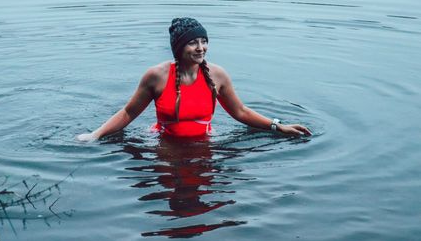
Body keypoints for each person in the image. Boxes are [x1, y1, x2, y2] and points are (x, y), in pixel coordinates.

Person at [77, 17, 311, 142]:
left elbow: (240, 111)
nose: (201, 48)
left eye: (204, 41)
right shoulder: (156, 76)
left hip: (205, 143)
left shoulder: (217, 75)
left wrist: (277, 127)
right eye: (193, 42)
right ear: (178, 47)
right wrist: (95, 135)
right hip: (163, 145)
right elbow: (128, 113)